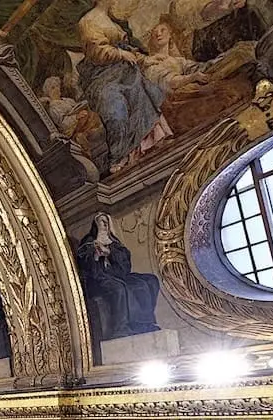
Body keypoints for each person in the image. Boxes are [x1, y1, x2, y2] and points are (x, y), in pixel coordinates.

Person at [75, 0, 172, 173]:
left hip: (126, 74)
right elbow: (96, 51)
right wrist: (120, 53)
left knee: (142, 95)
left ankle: (143, 148)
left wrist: (146, 59)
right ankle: (118, 156)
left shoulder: (113, 23)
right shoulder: (88, 21)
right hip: (102, 78)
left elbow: (129, 51)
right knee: (116, 111)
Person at [75, 212, 160, 340]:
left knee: (148, 281)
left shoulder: (114, 243)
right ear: (96, 225)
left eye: (106, 222)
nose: (104, 225)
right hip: (98, 278)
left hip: (118, 276)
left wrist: (109, 252)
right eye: (101, 222)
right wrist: (97, 255)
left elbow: (125, 264)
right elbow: (85, 262)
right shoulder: (88, 242)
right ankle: (121, 327)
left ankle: (143, 323)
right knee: (118, 289)